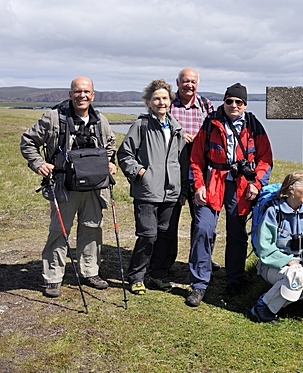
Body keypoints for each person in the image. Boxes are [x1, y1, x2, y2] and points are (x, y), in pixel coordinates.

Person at [20, 76, 117, 298]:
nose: (82, 95)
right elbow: (28, 141)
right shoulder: (54, 118)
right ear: (70, 94)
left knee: (92, 227)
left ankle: (90, 272)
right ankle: (53, 278)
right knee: (59, 231)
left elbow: (110, 144)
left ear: (93, 95)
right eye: (77, 91)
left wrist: (108, 162)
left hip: (94, 186)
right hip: (63, 186)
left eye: (86, 92)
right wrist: (38, 164)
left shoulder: (100, 120)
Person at [186, 83, 273, 307]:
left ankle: (234, 280)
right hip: (212, 181)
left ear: (244, 105)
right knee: (203, 228)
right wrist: (198, 186)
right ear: (223, 102)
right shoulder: (210, 124)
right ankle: (199, 283)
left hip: (241, 185)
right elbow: (196, 158)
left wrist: (257, 183)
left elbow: (265, 159)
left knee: (237, 233)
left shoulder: (253, 125)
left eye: (239, 102)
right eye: (230, 101)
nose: (234, 105)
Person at [117, 79, 187, 294]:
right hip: (147, 191)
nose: (161, 102)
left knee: (166, 235)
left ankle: (157, 274)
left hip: (171, 192)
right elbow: (124, 154)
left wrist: (182, 189)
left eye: (165, 98)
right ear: (149, 102)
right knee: (148, 235)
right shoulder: (141, 125)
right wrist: (140, 173)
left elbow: (181, 161)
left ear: (170, 100)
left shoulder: (176, 128)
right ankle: (136, 276)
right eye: (156, 98)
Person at [250, 172, 303, 323]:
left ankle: (266, 304)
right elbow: (265, 248)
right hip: (271, 266)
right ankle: (265, 308)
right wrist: (290, 262)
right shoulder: (273, 213)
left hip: (301, 266)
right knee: (295, 275)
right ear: (292, 189)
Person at [168, 68, 220, 272]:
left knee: (204, 222)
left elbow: (215, 132)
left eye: (193, 81)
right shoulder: (168, 105)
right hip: (174, 171)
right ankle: (167, 261)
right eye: (185, 81)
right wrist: (180, 137)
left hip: (201, 172)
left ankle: (202, 259)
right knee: (169, 222)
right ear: (178, 82)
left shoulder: (205, 105)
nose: (189, 85)